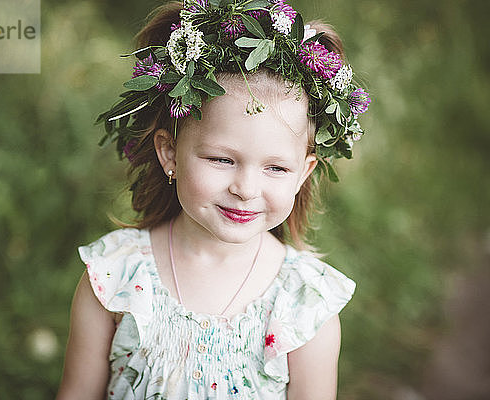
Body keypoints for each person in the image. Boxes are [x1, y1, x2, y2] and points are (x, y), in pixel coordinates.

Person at [57, 1, 370, 398]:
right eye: (222, 159)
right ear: (170, 152)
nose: (245, 188)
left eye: (276, 168)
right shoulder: (114, 277)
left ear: (303, 174)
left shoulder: (303, 303)